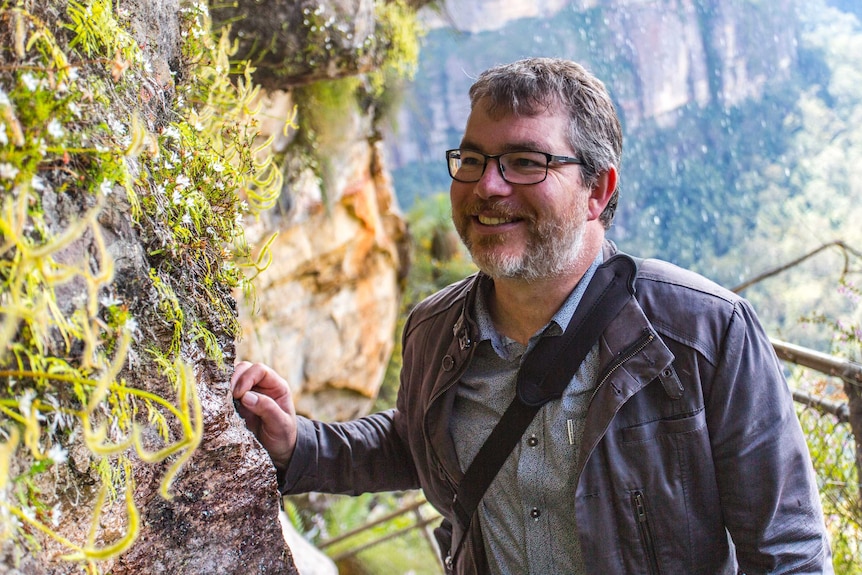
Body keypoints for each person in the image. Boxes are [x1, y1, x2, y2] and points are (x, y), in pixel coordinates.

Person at [231, 57, 833, 574]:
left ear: (597, 191)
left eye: (525, 162)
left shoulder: (705, 335)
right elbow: (420, 438)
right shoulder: (434, 331)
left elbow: (786, 554)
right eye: (472, 160)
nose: (488, 186)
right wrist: (298, 444)